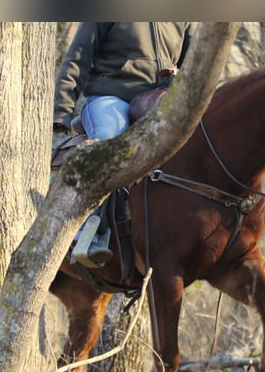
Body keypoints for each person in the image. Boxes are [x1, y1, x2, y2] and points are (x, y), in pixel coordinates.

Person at [53, 22, 195, 268]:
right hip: (110, 97)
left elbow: (197, 64)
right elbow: (77, 59)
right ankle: (87, 232)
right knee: (110, 142)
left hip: (160, 101)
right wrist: (60, 115)